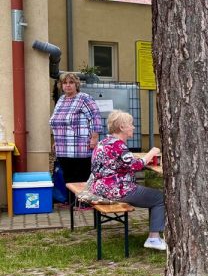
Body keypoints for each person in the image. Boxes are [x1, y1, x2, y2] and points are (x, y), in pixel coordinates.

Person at [89, 111, 166, 250]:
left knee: (152, 196)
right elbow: (136, 166)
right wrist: (152, 153)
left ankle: (156, 232)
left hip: (100, 187)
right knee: (159, 198)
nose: (133, 127)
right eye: (131, 124)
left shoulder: (104, 142)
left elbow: (122, 163)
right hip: (118, 189)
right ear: (122, 127)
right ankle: (154, 238)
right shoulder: (118, 145)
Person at [49, 72, 102, 201]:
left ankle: (84, 202)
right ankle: (72, 202)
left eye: (71, 83)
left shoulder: (84, 98)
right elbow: (57, 122)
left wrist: (94, 138)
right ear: (61, 86)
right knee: (68, 176)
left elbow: (95, 118)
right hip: (63, 146)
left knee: (81, 176)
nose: (68, 86)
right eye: (65, 83)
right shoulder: (61, 100)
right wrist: (56, 140)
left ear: (76, 84)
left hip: (80, 146)